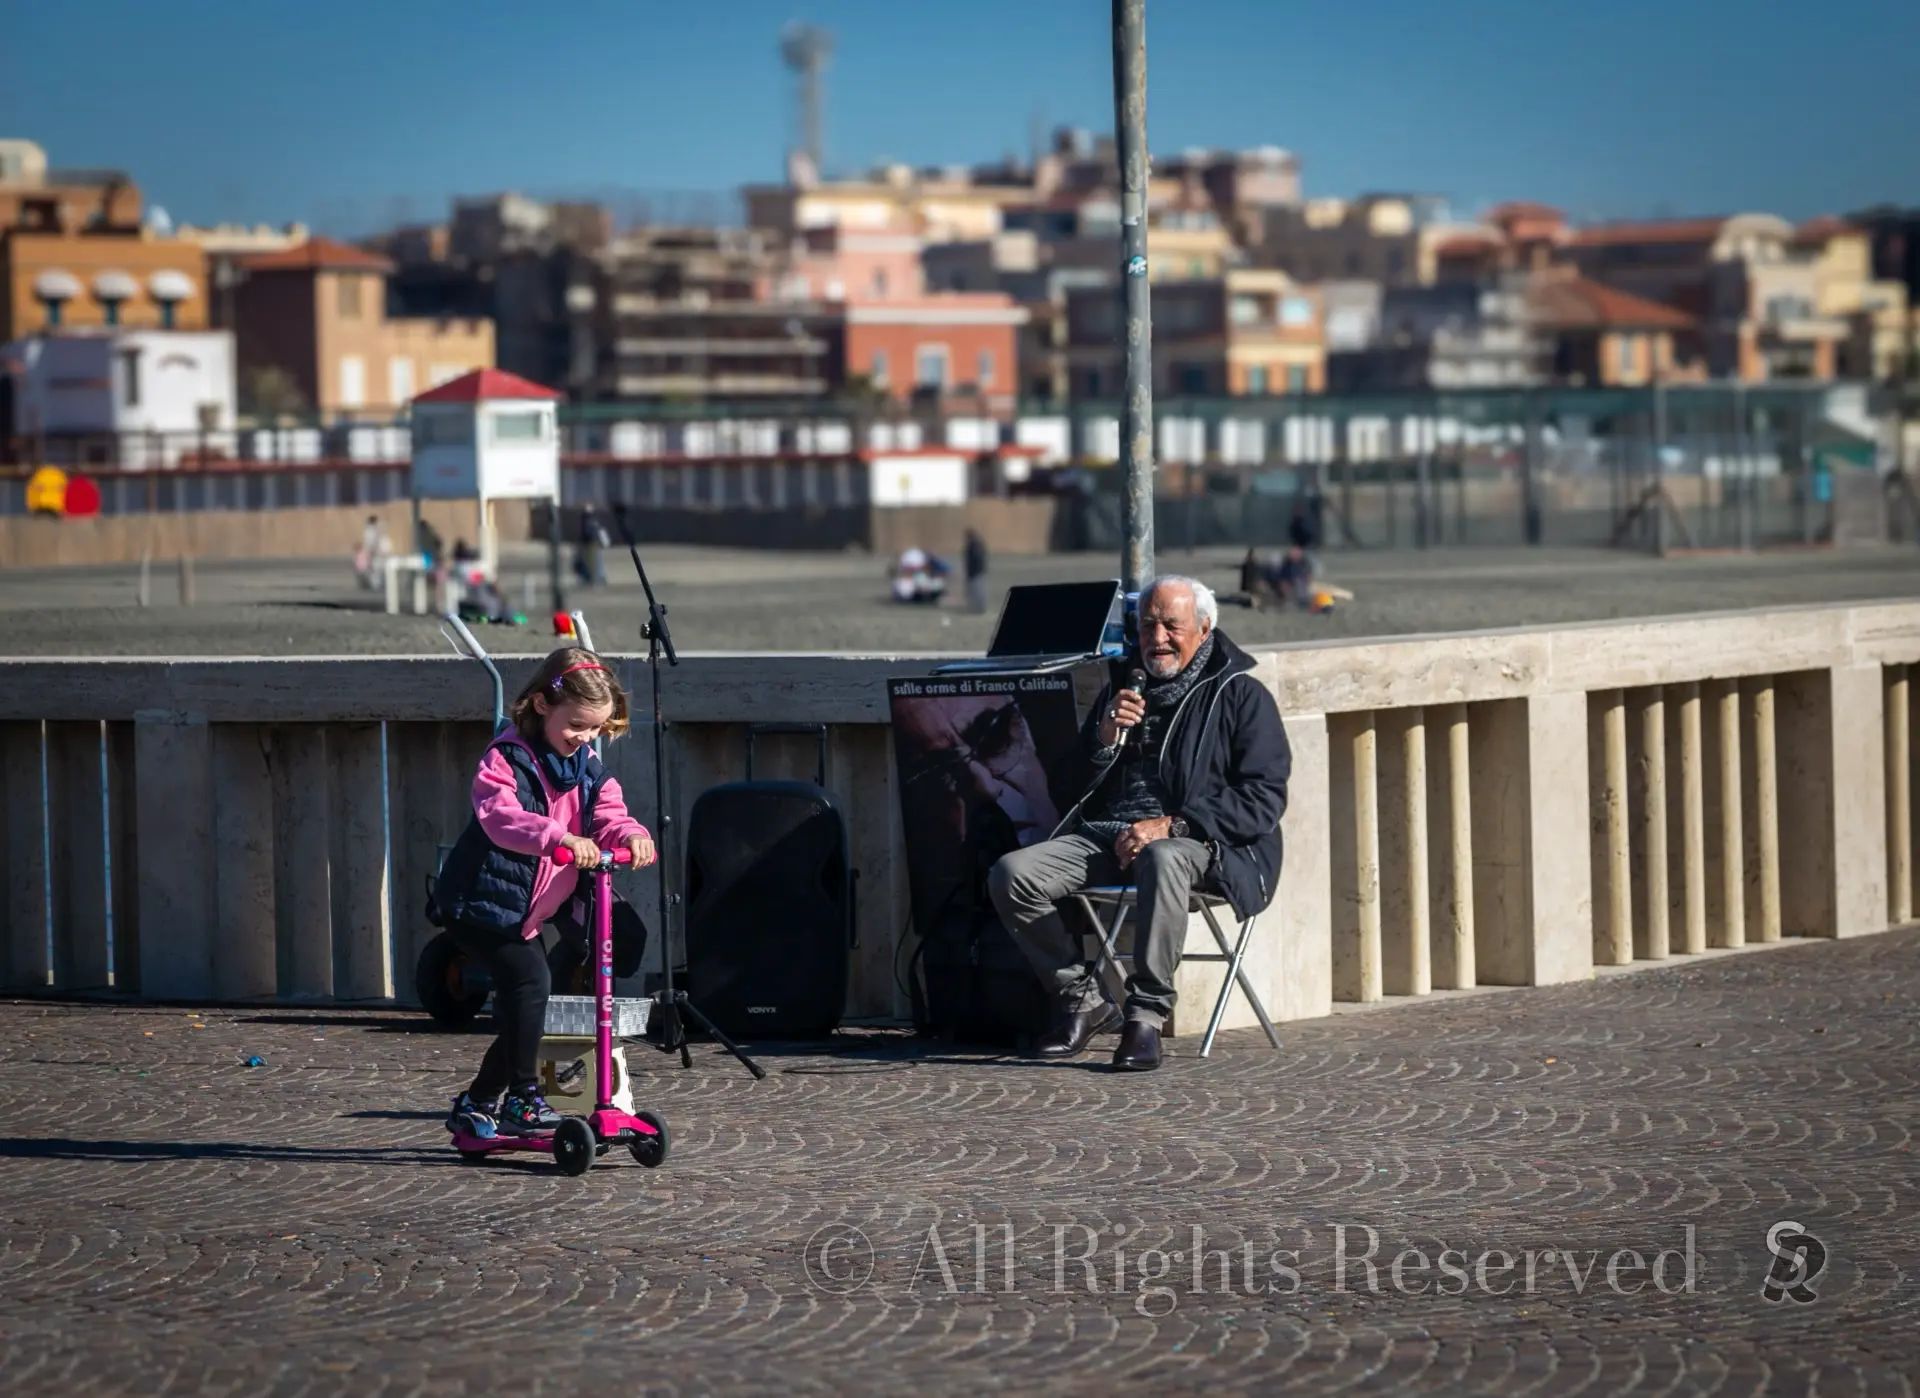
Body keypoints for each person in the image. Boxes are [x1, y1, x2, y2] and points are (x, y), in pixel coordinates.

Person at [987, 576, 1291, 1071]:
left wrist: (1173, 825)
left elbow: (1264, 798)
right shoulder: (1123, 686)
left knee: (1161, 857)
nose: (1158, 638)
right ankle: (1083, 1001)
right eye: (1148, 625)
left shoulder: (1240, 694)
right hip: (1109, 837)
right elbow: (1066, 788)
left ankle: (1146, 1017)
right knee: (1013, 875)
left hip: (1203, 844)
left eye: (1172, 625)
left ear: (1204, 629)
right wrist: (1103, 738)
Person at [430, 647, 657, 1138]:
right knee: (531, 984)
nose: (585, 737)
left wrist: (631, 835)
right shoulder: (507, 757)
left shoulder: (586, 767)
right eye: (576, 725)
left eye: (595, 728)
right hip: (479, 903)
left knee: (526, 1005)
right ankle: (522, 1100)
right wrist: (560, 839)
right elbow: (499, 816)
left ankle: (477, 1103)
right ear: (540, 705)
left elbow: (609, 814)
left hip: (523, 911)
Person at [575, 503, 610, 586]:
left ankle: (594, 578)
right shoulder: (592, 520)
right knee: (595, 560)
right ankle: (597, 577)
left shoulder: (586, 520)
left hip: (590, 543)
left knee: (592, 561)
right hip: (592, 542)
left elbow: (586, 532)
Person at [964, 529, 990, 614]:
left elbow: (975, 559)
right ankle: (978, 608)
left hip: (975, 572)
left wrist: (972, 572)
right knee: (978, 591)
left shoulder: (973, 545)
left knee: (977, 591)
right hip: (978, 571)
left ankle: (978, 609)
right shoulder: (978, 544)